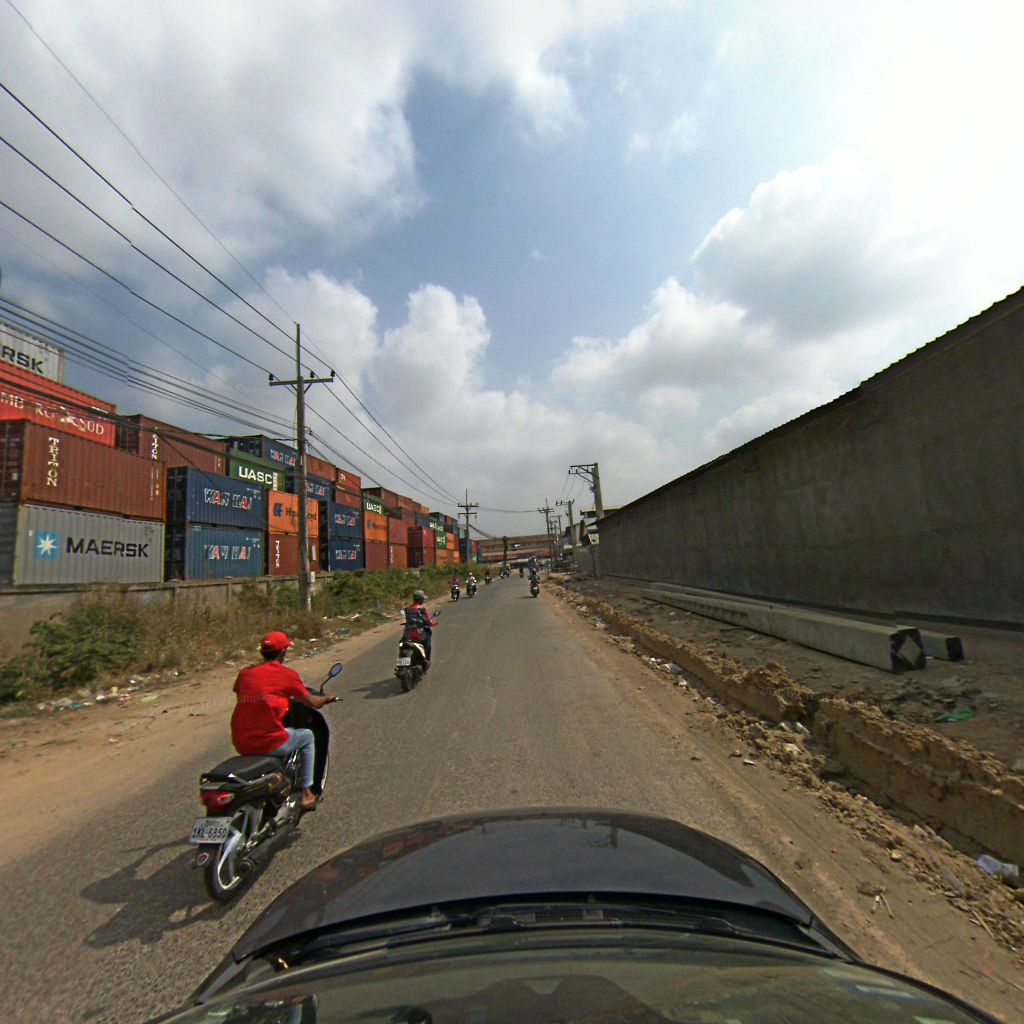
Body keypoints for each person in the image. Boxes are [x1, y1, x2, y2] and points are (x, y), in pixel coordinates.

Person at [230, 631, 337, 811]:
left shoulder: (245, 674)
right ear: (283, 653)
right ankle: (308, 793)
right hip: (269, 741)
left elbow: (249, 696)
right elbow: (312, 702)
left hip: (241, 742)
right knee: (307, 737)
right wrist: (327, 698)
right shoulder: (286, 675)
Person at [405, 589, 438, 664]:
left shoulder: (407, 609)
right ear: (420, 599)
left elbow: (407, 620)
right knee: (427, 644)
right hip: (419, 632)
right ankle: (426, 660)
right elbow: (428, 621)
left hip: (409, 632)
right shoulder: (422, 610)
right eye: (423, 599)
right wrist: (434, 623)